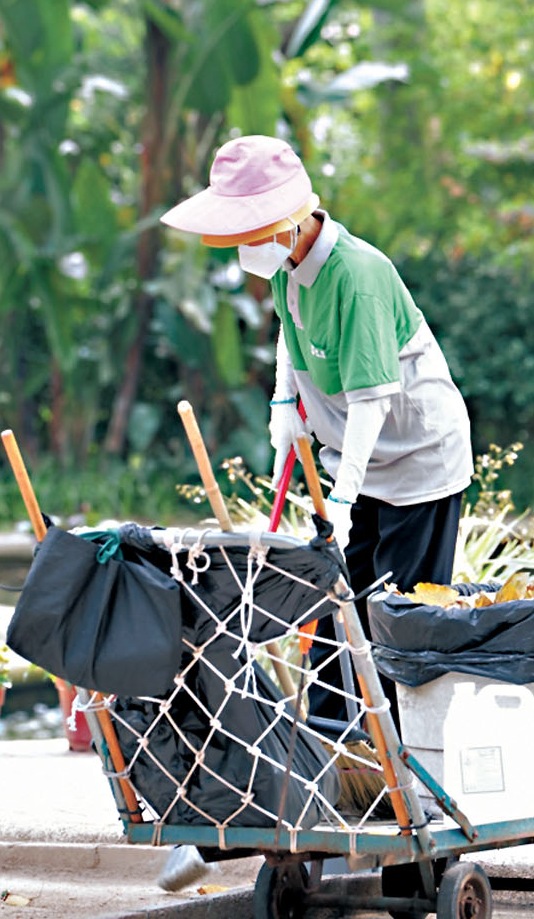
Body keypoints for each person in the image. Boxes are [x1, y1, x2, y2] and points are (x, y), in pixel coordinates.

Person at [161, 134, 473, 721]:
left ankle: (397, 766)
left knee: (399, 618)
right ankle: (330, 744)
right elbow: (290, 331)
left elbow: (372, 402)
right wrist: (283, 404)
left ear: (288, 221)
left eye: (246, 231)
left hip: (416, 457)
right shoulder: (287, 261)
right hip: (355, 457)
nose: (240, 249)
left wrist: (343, 498)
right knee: (336, 605)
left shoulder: (357, 276)